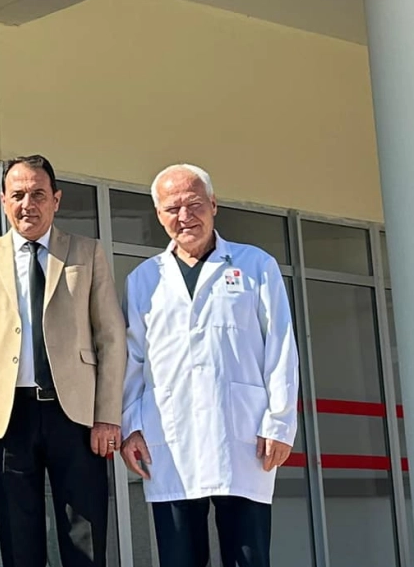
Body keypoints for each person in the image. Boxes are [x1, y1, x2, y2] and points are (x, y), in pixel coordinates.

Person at [120, 164, 299, 567]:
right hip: (169, 436)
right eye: (172, 208)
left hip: (244, 434)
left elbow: (281, 347)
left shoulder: (256, 266)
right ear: (159, 215)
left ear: (214, 205)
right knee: (179, 556)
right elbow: (132, 360)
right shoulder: (143, 279)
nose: (184, 216)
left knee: (248, 555)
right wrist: (131, 426)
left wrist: (279, 422)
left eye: (194, 204)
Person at [0, 154, 126, 567]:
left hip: (77, 414)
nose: (27, 204)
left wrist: (108, 416)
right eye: (17, 195)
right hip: (8, 414)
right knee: (19, 538)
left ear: (56, 200)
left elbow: (111, 336)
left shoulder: (87, 252)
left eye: (38, 194)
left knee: (85, 537)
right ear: (3, 200)